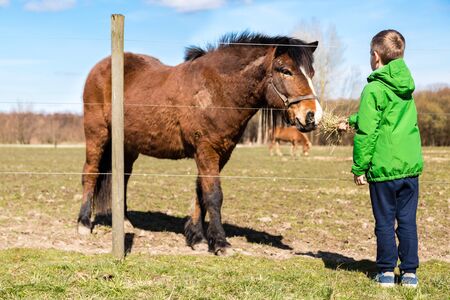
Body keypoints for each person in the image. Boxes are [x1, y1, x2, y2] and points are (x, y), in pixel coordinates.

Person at [339, 29, 423, 287]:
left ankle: (386, 271)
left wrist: (359, 167)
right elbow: (384, 117)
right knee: (407, 221)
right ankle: (409, 274)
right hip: (409, 168)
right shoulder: (406, 86)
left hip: (384, 170)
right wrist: (349, 121)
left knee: (385, 221)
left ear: (375, 56)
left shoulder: (374, 88)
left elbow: (368, 130)